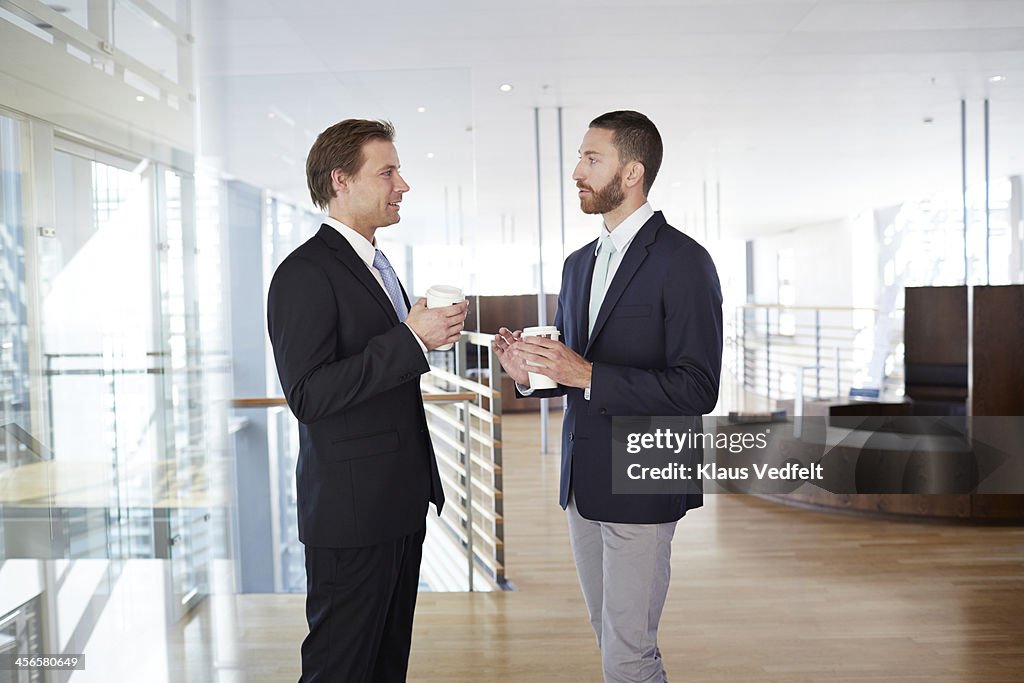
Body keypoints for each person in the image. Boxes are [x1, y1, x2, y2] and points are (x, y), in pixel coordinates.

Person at [493, 110, 723, 682]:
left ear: (633, 172)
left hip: (645, 476)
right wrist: (528, 371)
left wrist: (589, 372)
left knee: (627, 652)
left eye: (592, 159)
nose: (577, 170)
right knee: (611, 638)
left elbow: (699, 386)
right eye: (578, 157)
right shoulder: (577, 266)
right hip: (583, 482)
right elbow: (568, 371)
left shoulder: (685, 261)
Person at [267, 119, 468, 682]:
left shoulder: (375, 266)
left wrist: (422, 335)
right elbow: (309, 394)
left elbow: (380, 367)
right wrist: (410, 338)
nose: (401, 185)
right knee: (340, 669)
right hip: (352, 515)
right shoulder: (303, 274)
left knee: (384, 668)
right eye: (388, 172)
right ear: (341, 180)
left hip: (398, 504)